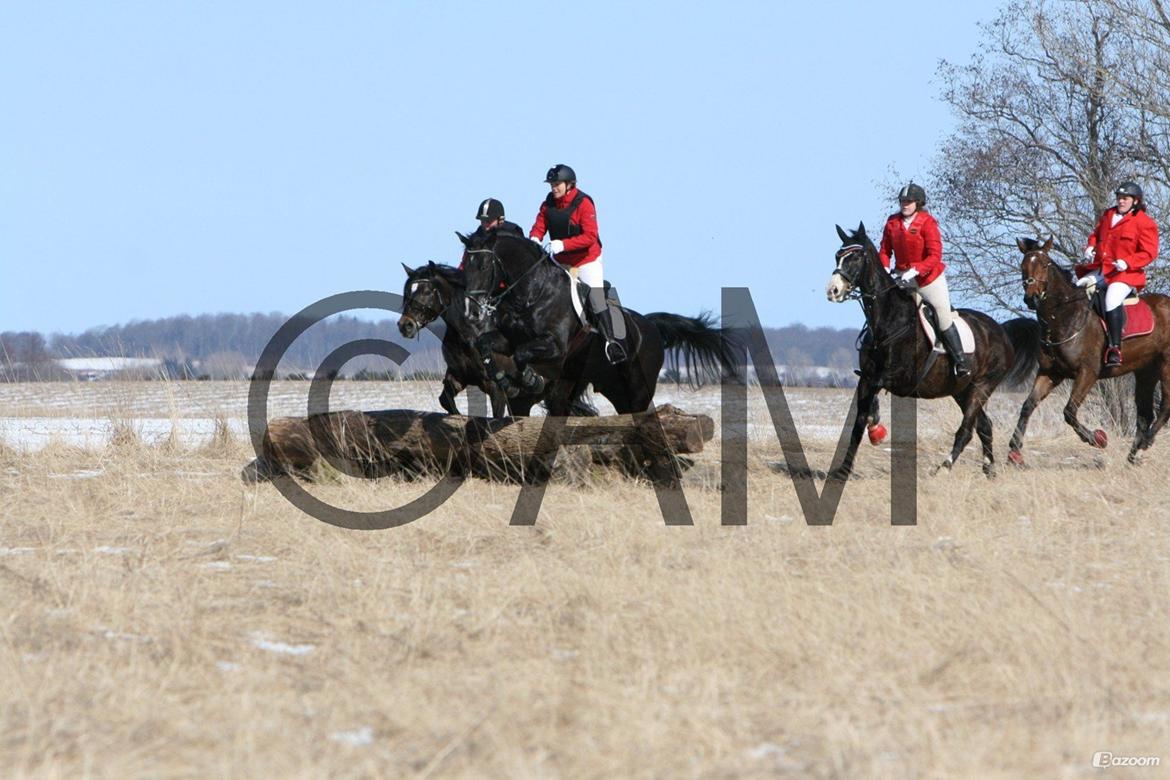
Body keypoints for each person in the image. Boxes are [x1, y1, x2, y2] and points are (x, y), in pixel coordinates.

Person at [529, 164, 627, 363]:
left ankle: (611, 342)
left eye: (557, 184)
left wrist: (563, 244)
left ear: (569, 184)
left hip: (586, 259)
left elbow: (590, 237)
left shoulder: (584, 203)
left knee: (596, 296)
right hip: (561, 260)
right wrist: (534, 239)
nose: (553, 188)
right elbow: (539, 226)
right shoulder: (547, 204)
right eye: (551, 185)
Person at [878, 182, 970, 377]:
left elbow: (935, 255)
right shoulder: (892, 223)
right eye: (902, 201)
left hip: (929, 280)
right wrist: (884, 266)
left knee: (942, 316)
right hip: (903, 279)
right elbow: (885, 250)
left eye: (909, 201)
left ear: (918, 203)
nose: (905, 204)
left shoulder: (928, 223)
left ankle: (961, 361)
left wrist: (916, 270)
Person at [1076, 181, 1160, 366]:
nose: (1121, 201)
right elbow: (1096, 234)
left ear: (1135, 201)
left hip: (1126, 275)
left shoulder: (1144, 223)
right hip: (1103, 269)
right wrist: (1090, 246)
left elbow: (1149, 252)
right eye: (1119, 198)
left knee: (1112, 299)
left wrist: (1128, 262)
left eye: (1125, 198)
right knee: (1077, 288)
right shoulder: (1108, 215)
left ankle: (1114, 348)